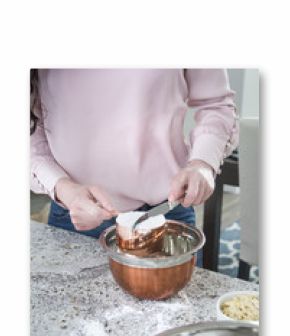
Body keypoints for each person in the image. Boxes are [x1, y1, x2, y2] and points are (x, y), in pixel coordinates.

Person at [30, 69, 239, 265]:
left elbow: (216, 105)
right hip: (75, 216)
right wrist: (62, 187)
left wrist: (202, 163)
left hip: (166, 214)